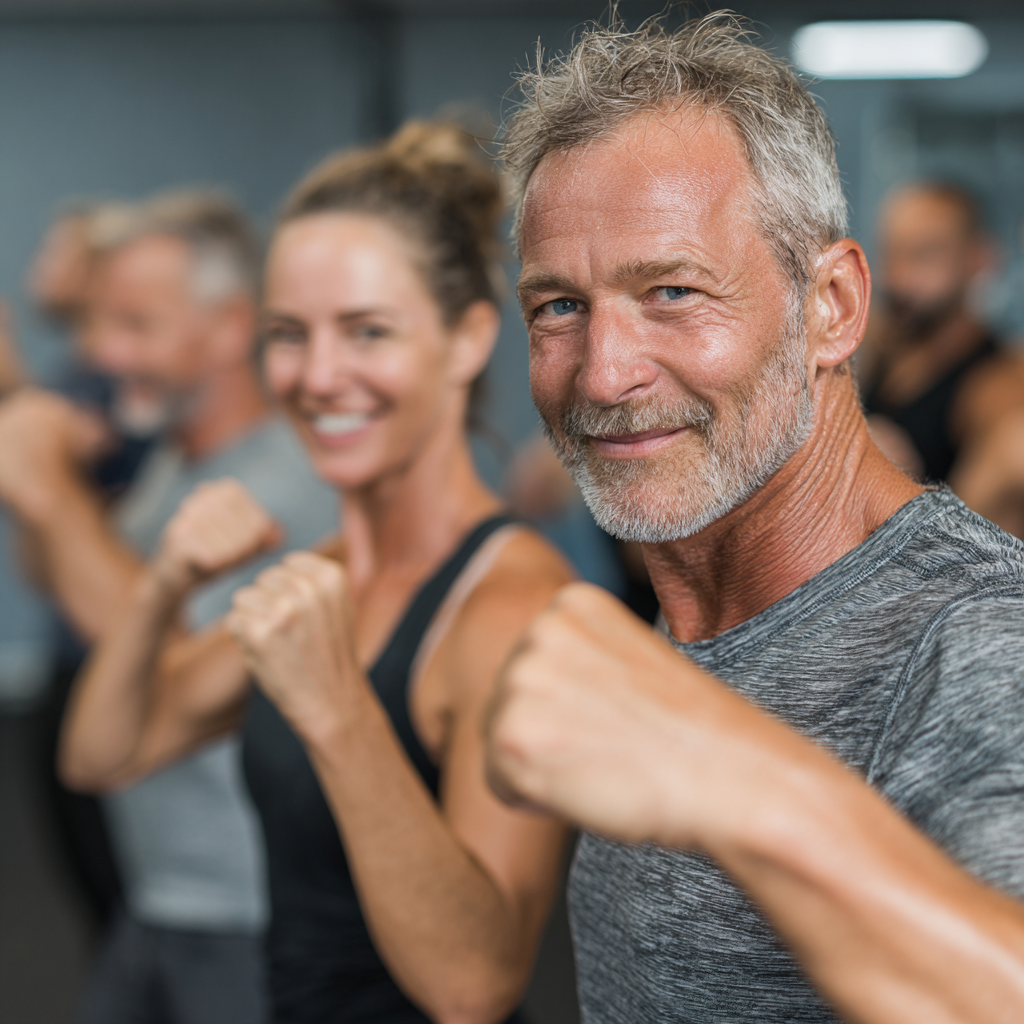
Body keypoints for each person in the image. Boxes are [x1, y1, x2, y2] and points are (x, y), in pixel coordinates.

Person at [483, 14, 1024, 1024]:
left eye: (673, 291)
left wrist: (730, 771)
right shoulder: (697, 600)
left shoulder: (978, 636)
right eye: (558, 306)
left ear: (830, 306)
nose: (603, 372)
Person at [60, 122, 574, 1024]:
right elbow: (107, 752)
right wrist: (163, 583)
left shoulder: (510, 604)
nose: (319, 375)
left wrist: (338, 709)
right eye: (289, 335)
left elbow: (476, 985)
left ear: (464, 341)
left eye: (367, 331)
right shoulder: (326, 574)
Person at [0, 191, 340, 1024]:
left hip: (246, 912)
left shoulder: (280, 485)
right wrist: (32, 468)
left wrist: (47, 488)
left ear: (228, 330)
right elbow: (64, 584)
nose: (101, 352)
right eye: (97, 324)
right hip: (160, 899)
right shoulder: (175, 466)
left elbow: (166, 667)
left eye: (133, 325)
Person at [859, 181, 1011, 481]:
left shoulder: (994, 384)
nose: (898, 276)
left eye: (923, 255)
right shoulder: (881, 344)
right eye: (892, 253)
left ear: (979, 259)